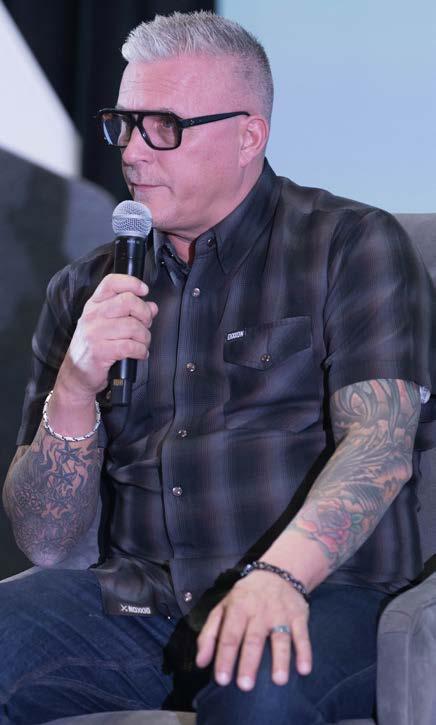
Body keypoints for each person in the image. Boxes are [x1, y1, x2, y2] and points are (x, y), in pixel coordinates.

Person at [1, 10, 435, 725]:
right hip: (138, 607)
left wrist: (278, 573)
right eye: (123, 124)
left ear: (248, 137)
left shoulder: (351, 246)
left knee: (256, 686)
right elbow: (45, 541)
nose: (133, 152)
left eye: (163, 127)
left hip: (321, 593)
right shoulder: (86, 288)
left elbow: (380, 446)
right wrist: (74, 389)